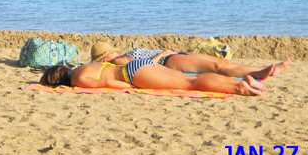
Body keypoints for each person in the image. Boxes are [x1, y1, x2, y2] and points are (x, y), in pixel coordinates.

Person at [39, 59, 268, 96]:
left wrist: (131, 87)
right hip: (136, 65)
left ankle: (240, 88)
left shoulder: (78, 79)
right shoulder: (84, 65)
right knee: (189, 77)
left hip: (133, 74)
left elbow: (108, 83)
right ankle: (246, 80)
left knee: (190, 84)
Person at [89, 41, 290, 80]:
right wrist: (162, 54)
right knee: (217, 66)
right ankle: (259, 72)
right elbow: (143, 66)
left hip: (173, 55)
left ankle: (262, 69)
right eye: (108, 53)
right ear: (105, 57)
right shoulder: (117, 62)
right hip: (169, 62)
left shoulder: (123, 55)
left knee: (220, 63)